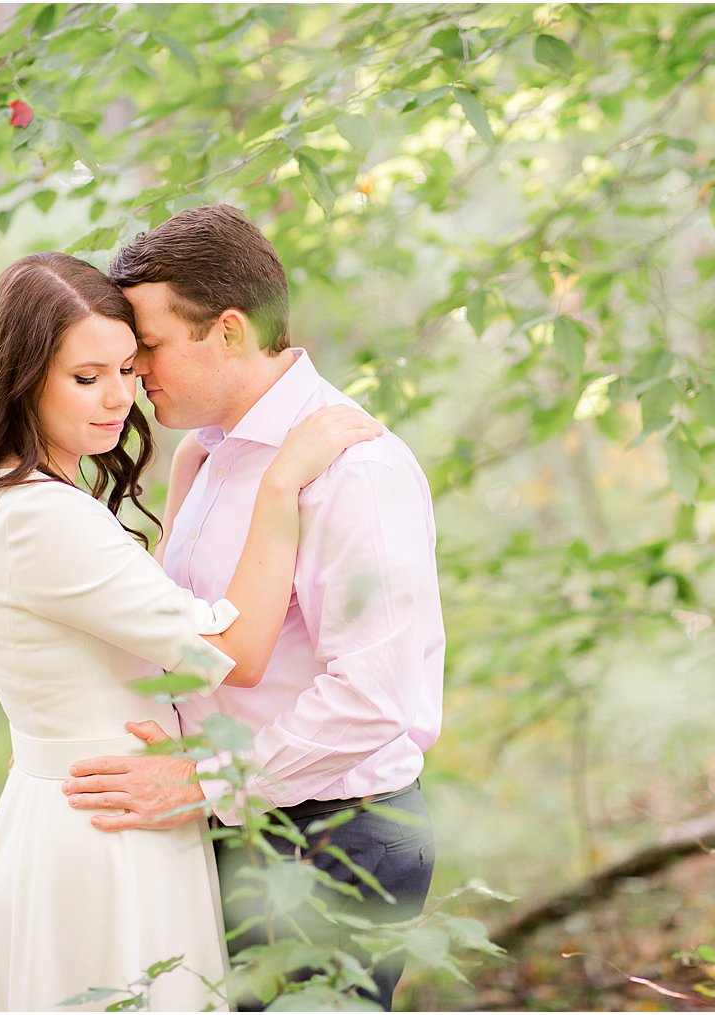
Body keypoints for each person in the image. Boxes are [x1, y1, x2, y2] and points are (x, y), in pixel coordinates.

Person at [0, 252, 381, 1012]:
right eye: (86, 376)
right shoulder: (45, 517)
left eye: (130, 368)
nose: (119, 398)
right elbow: (228, 655)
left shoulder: (19, 498)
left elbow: (135, 627)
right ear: (22, 375)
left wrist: (195, 476)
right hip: (109, 834)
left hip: (99, 809)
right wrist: (280, 483)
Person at [61, 206, 445, 1010]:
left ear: (229, 330)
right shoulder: (207, 456)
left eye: (150, 348)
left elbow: (376, 696)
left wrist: (205, 785)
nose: (135, 375)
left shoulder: (355, 470)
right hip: (242, 825)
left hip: (335, 836)